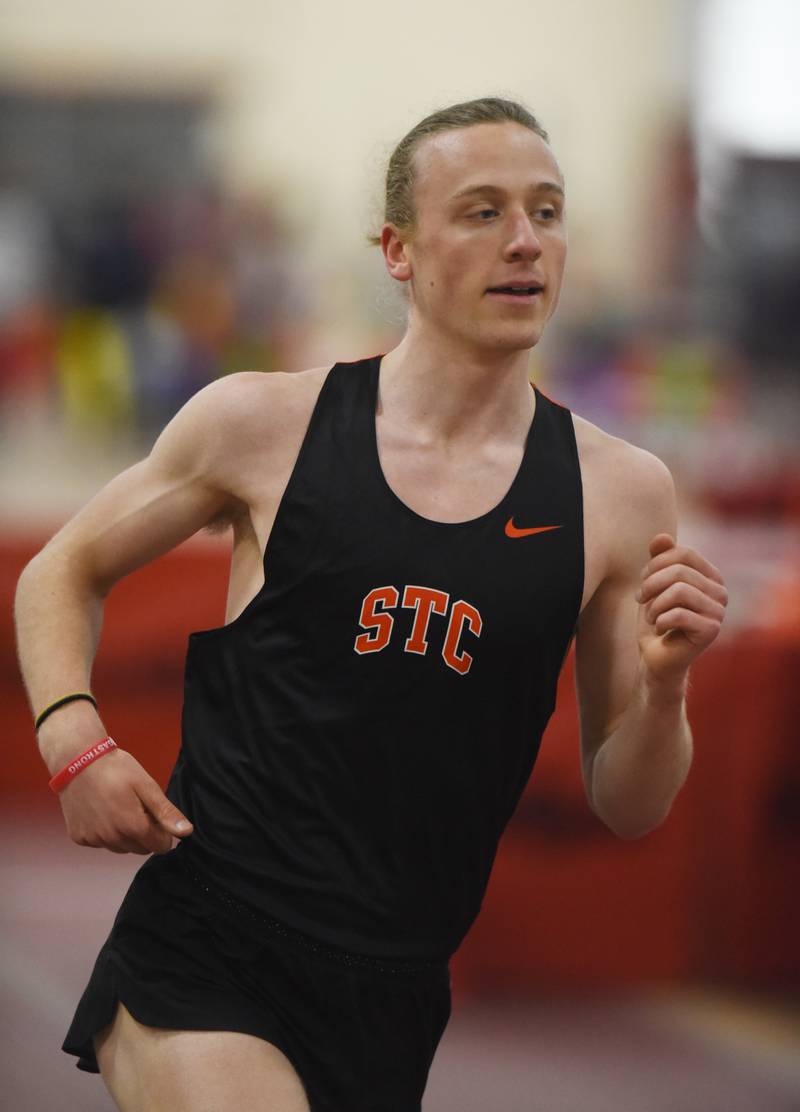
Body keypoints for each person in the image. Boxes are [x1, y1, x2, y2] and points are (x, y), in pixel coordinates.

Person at [14, 96, 728, 1112]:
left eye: (545, 210)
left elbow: (630, 799)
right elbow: (60, 569)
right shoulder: (264, 424)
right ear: (395, 249)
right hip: (209, 940)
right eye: (480, 211)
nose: (522, 239)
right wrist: (73, 740)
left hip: (396, 986)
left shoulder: (617, 493)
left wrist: (662, 689)